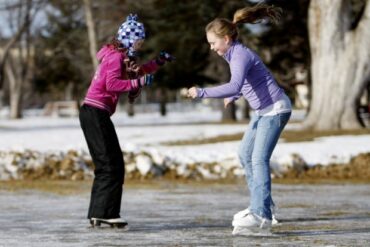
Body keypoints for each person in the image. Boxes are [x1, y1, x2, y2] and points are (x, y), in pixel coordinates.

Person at [187, 4, 291, 236]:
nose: (212, 48)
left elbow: (235, 83)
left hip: (275, 109)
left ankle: (260, 214)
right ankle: (265, 207)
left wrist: (202, 92)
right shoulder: (233, 53)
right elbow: (245, 82)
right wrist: (234, 95)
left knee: (258, 159)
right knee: (245, 154)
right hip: (264, 110)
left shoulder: (239, 55)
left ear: (226, 38)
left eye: (213, 43)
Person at [79, 14, 174, 228]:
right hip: (95, 112)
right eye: (139, 41)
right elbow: (112, 84)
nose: (141, 45)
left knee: (108, 164)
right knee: (112, 165)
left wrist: (158, 62)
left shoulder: (120, 57)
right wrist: (137, 83)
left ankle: (98, 213)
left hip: (94, 113)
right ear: (131, 39)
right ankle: (107, 213)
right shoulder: (114, 58)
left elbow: (139, 71)